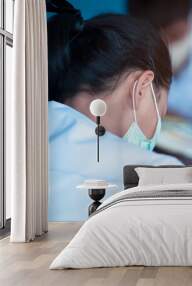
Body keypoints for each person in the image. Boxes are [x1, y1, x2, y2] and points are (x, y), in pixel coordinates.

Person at [47, 0, 181, 220]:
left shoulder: (23, 140)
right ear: (142, 87)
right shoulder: (160, 175)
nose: (156, 130)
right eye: (161, 114)